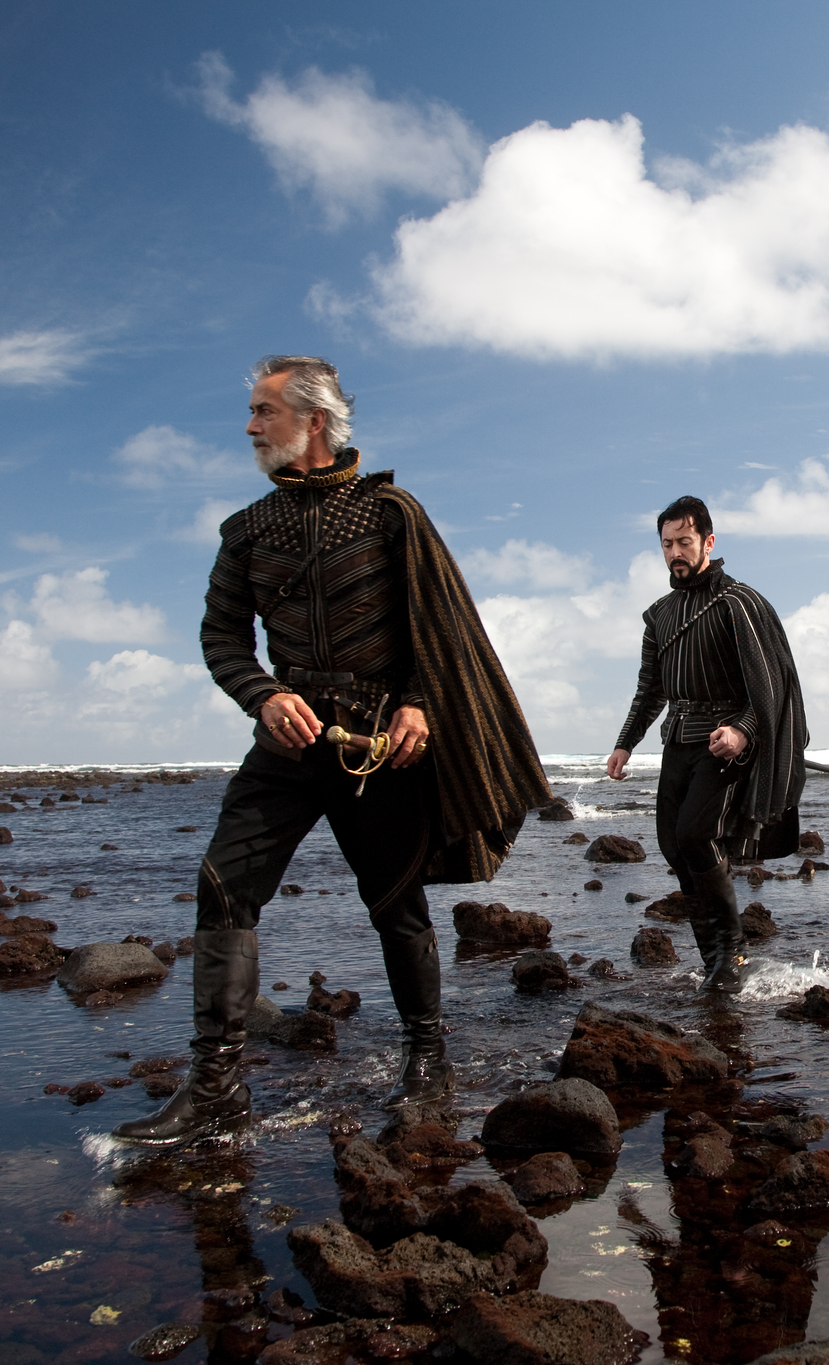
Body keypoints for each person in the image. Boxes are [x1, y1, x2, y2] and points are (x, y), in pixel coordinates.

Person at [113, 355, 550, 1148]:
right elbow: (221, 636)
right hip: (287, 741)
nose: (250, 426)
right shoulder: (246, 530)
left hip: (378, 746)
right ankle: (215, 1087)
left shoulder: (389, 512)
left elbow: (439, 628)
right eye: (251, 412)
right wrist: (264, 695)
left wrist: (420, 703)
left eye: (263, 411)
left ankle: (428, 1060)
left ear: (313, 420)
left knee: (395, 902)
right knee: (222, 885)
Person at [606, 496, 808, 993]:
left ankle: (733, 953)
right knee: (673, 846)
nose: (675, 551)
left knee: (698, 836)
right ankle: (713, 956)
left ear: (708, 543)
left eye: (685, 542)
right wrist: (624, 743)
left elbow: (770, 683)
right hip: (678, 740)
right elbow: (650, 689)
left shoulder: (739, 601)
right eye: (667, 544)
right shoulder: (659, 615)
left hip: (725, 744)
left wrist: (742, 729)